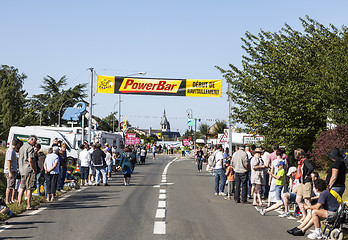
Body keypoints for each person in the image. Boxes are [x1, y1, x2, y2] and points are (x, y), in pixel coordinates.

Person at [18, 135, 38, 210]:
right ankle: (28, 205)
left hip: (22, 169)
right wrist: (33, 168)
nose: (35, 143)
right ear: (31, 139)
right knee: (29, 188)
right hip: (28, 169)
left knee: (22, 187)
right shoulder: (30, 148)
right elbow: (30, 159)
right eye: (34, 141)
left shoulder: (22, 147)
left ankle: (19, 203)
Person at [295, 148, 314, 222]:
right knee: (298, 199)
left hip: (306, 182)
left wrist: (307, 174)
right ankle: (304, 215)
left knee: (307, 200)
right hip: (302, 183)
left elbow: (311, 168)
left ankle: (309, 216)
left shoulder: (305, 161)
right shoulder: (300, 162)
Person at [4, 138, 20, 204]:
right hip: (10, 171)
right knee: (9, 186)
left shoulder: (12, 150)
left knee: (12, 186)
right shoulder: (10, 150)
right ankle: (7, 200)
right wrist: (10, 172)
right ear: (17, 144)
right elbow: (8, 161)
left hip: (13, 170)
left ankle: (10, 200)